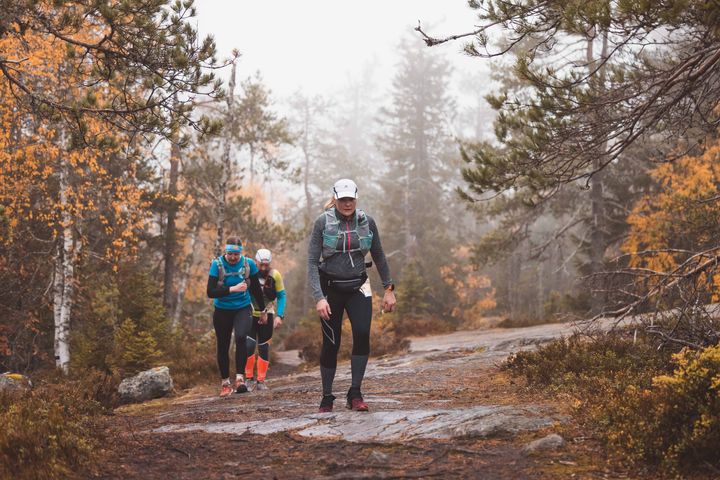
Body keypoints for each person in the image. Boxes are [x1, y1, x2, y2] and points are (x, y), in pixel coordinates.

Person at [307, 178, 396, 412]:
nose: (347, 203)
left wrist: (388, 289)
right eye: (343, 199)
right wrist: (319, 297)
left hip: (358, 286)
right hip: (330, 289)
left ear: (356, 198)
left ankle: (355, 393)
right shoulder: (322, 223)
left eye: (351, 199)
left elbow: (379, 256)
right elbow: (311, 262)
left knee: (362, 333)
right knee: (331, 343)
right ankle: (327, 397)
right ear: (335, 198)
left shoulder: (368, 222)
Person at [206, 237, 267, 397]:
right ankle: (225, 383)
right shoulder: (217, 265)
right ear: (225, 252)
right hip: (222, 310)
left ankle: (240, 379)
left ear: (241, 253)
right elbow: (210, 292)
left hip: (242, 308)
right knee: (223, 345)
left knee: (241, 337)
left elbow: (256, 290)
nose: (233, 257)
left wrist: (262, 310)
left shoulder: (248, 264)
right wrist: (232, 289)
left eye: (236, 254)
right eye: (230, 254)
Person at [244, 248, 286, 391]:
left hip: (267, 314)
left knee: (263, 347)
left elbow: (281, 296)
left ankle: (261, 381)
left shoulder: (275, 275)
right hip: (250, 314)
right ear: (256, 261)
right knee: (248, 346)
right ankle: (248, 379)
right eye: (261, 264)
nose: (263, 267)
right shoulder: (248, 274)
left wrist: (279, 316)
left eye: (266, 265)